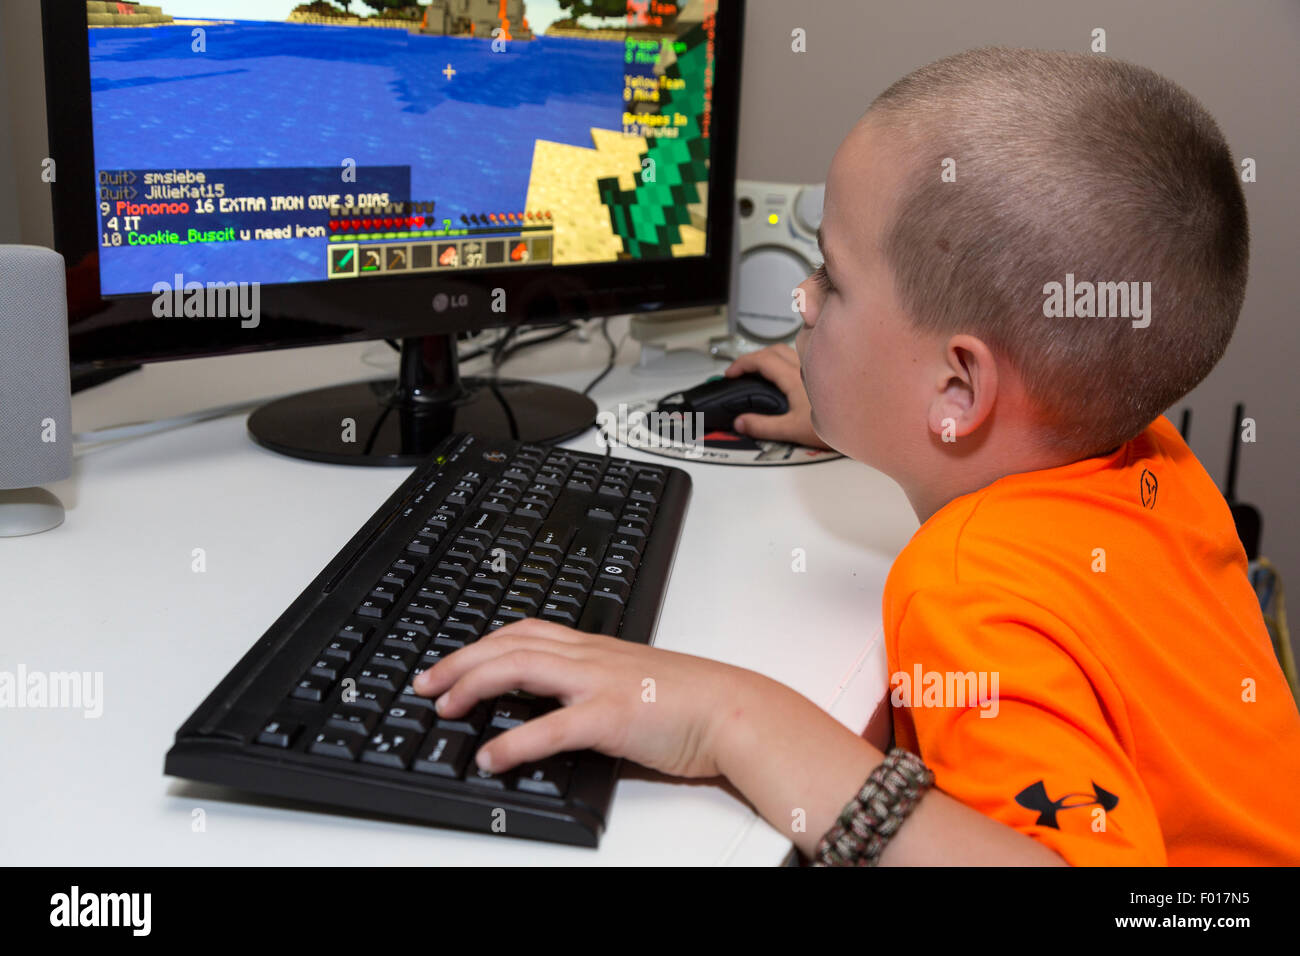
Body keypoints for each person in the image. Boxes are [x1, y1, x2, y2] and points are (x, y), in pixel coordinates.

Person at [415, 48, 1300, 865]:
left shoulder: (968, 589)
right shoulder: (1152, 458)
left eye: (832, 279)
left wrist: (731, 720)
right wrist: (867, 409)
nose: (803, 300)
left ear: (959, 391)